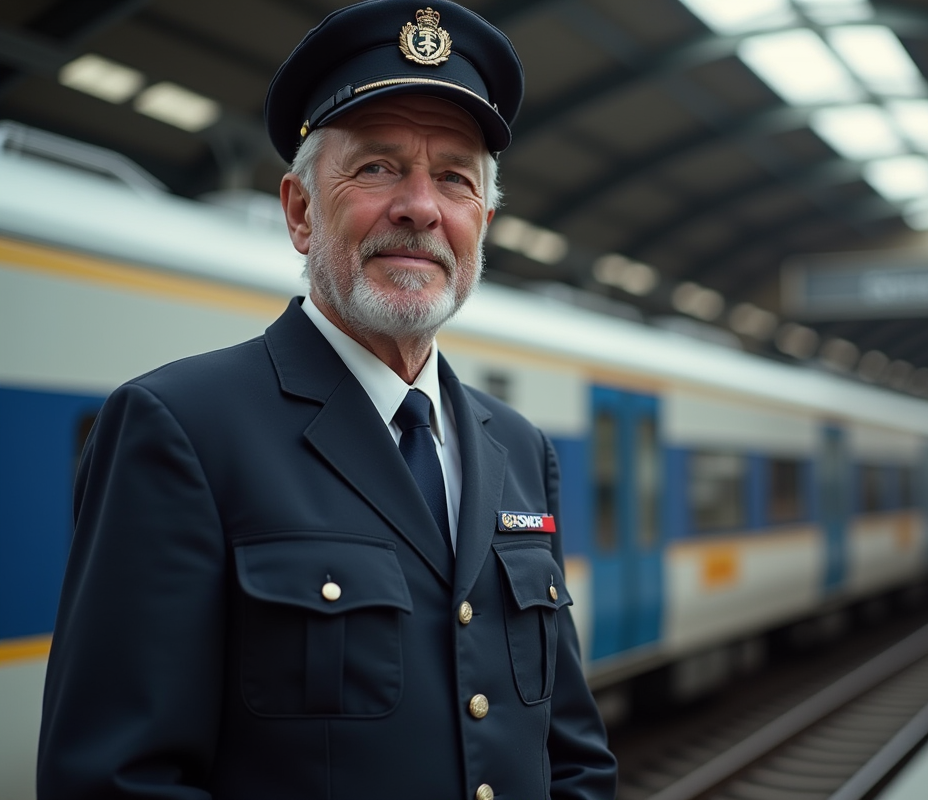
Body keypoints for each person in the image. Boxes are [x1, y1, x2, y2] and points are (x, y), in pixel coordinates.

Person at [37, 2, 618, 798]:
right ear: (303, 212)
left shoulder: (518, 448)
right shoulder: (180, 428)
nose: (421, 207)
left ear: (481, 221)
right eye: (378, 168)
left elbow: (572, 754)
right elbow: (115, 780)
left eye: (455, 178)